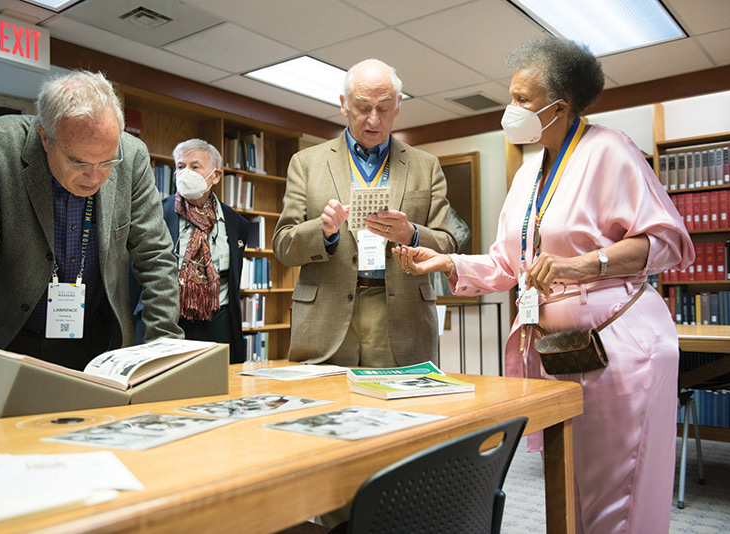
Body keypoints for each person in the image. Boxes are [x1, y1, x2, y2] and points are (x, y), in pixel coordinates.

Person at [394, 36, 694, 534]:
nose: (511, 110)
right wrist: (445, 262)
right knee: (572, 479)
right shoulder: (528, 172)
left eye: (523, 99)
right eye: (510, 97)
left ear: (563, 104)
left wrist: (579, 266)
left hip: (620, 345)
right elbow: (508, 263)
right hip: (560, 351)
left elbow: (666, 243)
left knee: (618, 488)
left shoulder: (610, 149)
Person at [0, 69, 183, 392]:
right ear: (44, 137)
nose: (95, 177)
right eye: (80, 163)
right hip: (9, 345)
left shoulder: (133, 156)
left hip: (98, 349)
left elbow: (157, 261)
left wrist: (163, 366)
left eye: (107, 161)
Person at [273, 58, 456, 369]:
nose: (374, 119)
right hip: (326, 317)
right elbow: (283, 246)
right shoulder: (306, 163)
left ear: (398, 105)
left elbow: (448, 244)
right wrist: (323, 231)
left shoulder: (426, 166)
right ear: (344, 105)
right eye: (362, 107)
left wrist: (410, 233)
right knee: (326, 412)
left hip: (400, 316)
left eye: (383, 108)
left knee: (401, 415)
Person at [132, 139, 250, 363]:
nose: (186, 173)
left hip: (218, 321)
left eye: (195, 167)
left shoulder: (237, 223)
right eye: (180, 166)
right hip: (167, 319)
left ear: (215, 176)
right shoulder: (156, 214)